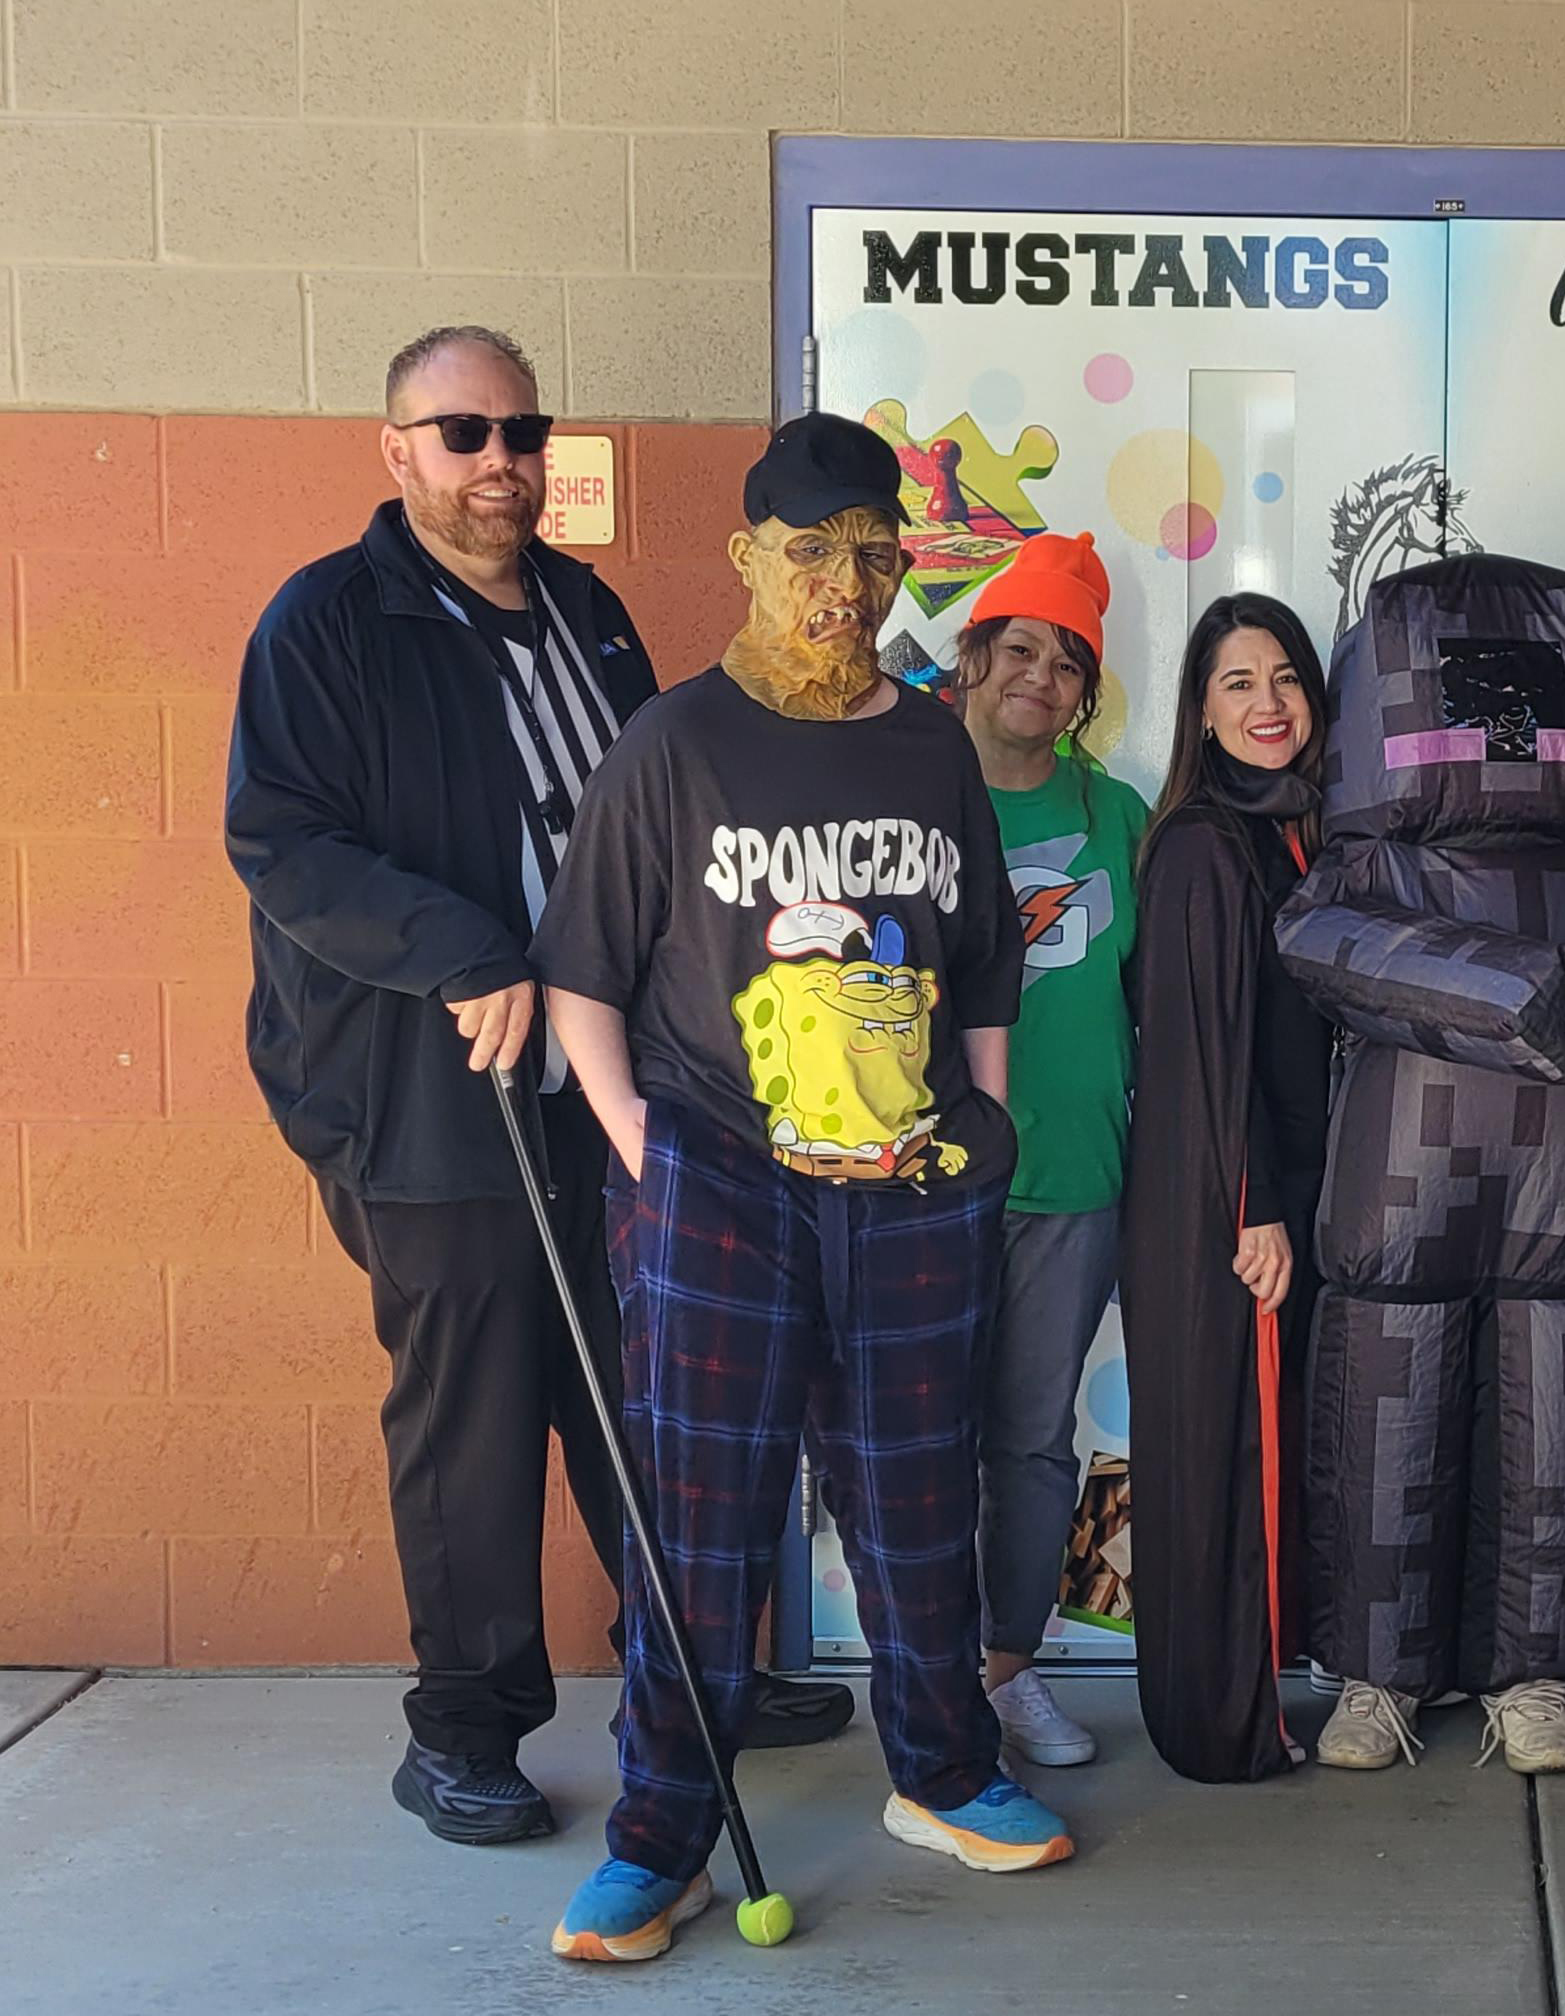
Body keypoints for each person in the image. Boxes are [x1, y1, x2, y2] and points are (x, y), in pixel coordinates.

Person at [224, 324, 849, 1850]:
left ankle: (687, 1666)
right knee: (477, 1419)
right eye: (463, 435)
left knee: (644, 1392)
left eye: (523, 432)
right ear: (398, 453)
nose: (501, 463)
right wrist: (469, 955)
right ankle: (464, 1729)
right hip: (436, 1091)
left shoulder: (588, 609)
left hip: (612, 1080)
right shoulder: (327, 624)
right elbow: (282, 841)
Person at [533, 414, 1072, 1965]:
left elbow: (982, 959)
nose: (848, 580)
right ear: (750, 558)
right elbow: (585, 972)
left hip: (908, 1186)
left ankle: (943, 1770)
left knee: (915, 1492)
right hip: (721, 1179)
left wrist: (984, 1122)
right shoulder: (675, 742)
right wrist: (653, 1155)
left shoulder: (925, 742)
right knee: (701, 1517)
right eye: (816, 550)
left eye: (875, 552)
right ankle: (661, 1838)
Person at [1274, 555, 1565, 1775]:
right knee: (1386, 1412)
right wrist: (1519, 990)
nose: (1507, 725)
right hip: (1412, 1188)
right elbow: (1326, 944)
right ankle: (1378, 1678)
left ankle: (1533, 1680)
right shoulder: (1368, 865)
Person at [1118, 592, 1335, 1784]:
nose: (1268, 704)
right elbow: (1205, 1046)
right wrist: (1253, 1208)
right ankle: (1222, 1729)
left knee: (1262, 1454)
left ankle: (1264, 1695)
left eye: (1286, 678)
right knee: (1224, 1457)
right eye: (1238, 682)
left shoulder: (1301, 833)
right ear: (1200, 710)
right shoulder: (1208, 843)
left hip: (1274, 1191)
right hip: (1220, 1201)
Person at [945, 532, 1147, 1769]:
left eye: (1067, 663)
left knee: (1027, 1439)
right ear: (972, 661)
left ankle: (1006, 1671)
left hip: (1072, 1181)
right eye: (1019, 649)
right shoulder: (909, 794)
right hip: (922, 1180)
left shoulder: (1117, 815)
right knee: (909, 1435)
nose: (1041, 677)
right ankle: (927, 1676)